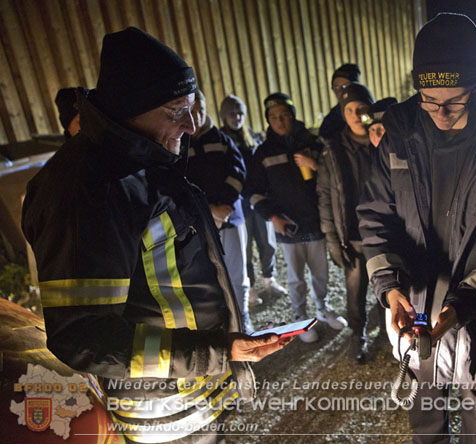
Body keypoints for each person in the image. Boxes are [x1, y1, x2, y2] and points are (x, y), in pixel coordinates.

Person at [22, 27, 286, 444]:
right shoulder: (88, 189)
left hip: (196, 396)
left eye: (191, 107)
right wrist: (213, 352)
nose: (191, 125)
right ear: (130, 107)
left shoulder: (140, 158)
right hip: (165, 417)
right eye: (175, 110)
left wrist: (221, 352)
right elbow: (84, 337)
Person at [356, 13, 476, 444]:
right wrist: (390, 289)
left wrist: (460, 308)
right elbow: (375, 217)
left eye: (455, 101)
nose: (440, 113)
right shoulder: (398, 136)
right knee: (425, 416)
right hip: (417, 314)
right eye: (428, 99)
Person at [246, 92, 347, 343]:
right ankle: (301, 318)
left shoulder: (313, 142)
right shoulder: (264, 152)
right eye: (273, 117)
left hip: (317, 222)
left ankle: (322, 310)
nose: (280, 121)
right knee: (296, 278)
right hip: (288, 227)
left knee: (321, 274)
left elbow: (338, 174)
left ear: (293, 115)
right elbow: (253, 192)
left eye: (284, 115)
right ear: (268, 121)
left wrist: (315, 165)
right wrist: (272, 217)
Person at [186, 89, 253, 333]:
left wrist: (223, 207)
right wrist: (207, 211)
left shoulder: (222, 140)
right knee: (208, 274)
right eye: (191, 111)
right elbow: (180, 185)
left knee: (238, 272)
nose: (196, 116)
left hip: (230, 218)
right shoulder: (179, 143)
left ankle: (243, 315)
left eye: (200, 110)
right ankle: (221, 319)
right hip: (200, 222)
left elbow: (237, 173)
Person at [317, 82, 375, 363]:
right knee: (355, 292)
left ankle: (394, 335)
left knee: (393, 289)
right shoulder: (333, 150)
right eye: (349, 109)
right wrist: (332, 240)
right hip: (352, 236)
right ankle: (357, 334)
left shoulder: (386, 140)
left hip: (385, 234)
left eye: (361, 107)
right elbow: (325, 198)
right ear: (343, 113)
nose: (355, 114)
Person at [220, 94, 287, 304]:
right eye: (232, 113)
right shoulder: (222, 140)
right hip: (239, 204)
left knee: (267, 242)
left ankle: (270, 279)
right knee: (245, 248)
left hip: (258, 199)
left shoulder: (253, 137)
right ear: (224, 116)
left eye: (240, 113)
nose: (236, 117)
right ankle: (249, 287)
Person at [318, 63, 361, 141]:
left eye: (345, 86)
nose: (340, 91)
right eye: (336, 87)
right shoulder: (331, 120)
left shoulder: (371, 110)